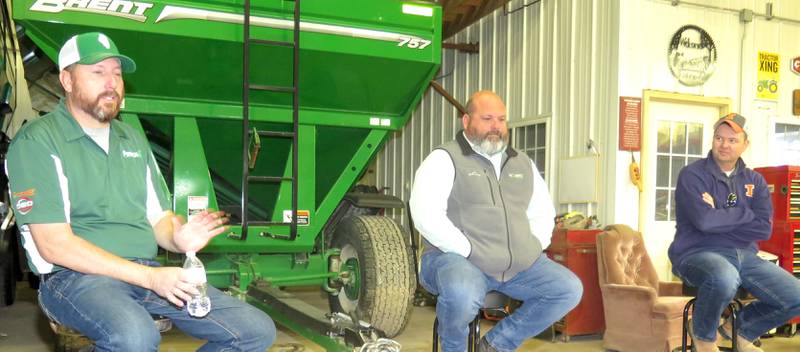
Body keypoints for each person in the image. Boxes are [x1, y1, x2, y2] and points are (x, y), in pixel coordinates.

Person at [6, 32, 276, 351]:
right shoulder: (38, 141)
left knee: (255, 331)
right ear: (66, 79)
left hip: (143, 272)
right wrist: (149, 278)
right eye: (97, 72)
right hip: (74, 279)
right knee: (136, 338)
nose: (111, 83)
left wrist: (178, 238)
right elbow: (54, 246)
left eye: (117, 74)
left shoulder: (131, 139)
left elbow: (158, 218)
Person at [409, 90, 582, 352]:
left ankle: (495, 345)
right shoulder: (445, 158)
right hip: (455, 259)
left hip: (514, 265)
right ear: (466, 121)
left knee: (568, 289)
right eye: (487, 118)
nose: (496, 127)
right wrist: (469, 250)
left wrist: (530, 247)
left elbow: (542, 213)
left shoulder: (521, 163)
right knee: (462, 294)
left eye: (501, 119)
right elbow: (425, 213)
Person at [668, 113, 800, 352]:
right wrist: (745, 214)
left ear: (745, 144)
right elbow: (704, 222)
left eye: (731, 140)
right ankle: (703, 335)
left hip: (744, 255)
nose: (724, 144)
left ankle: (738, 329)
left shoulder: (755, 181)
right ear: (713, 140)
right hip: (696, 252)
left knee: (796, 296)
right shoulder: (692, 175)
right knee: (723, 276)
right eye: (719, 138)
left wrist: (721, 211)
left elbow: (763, 228)